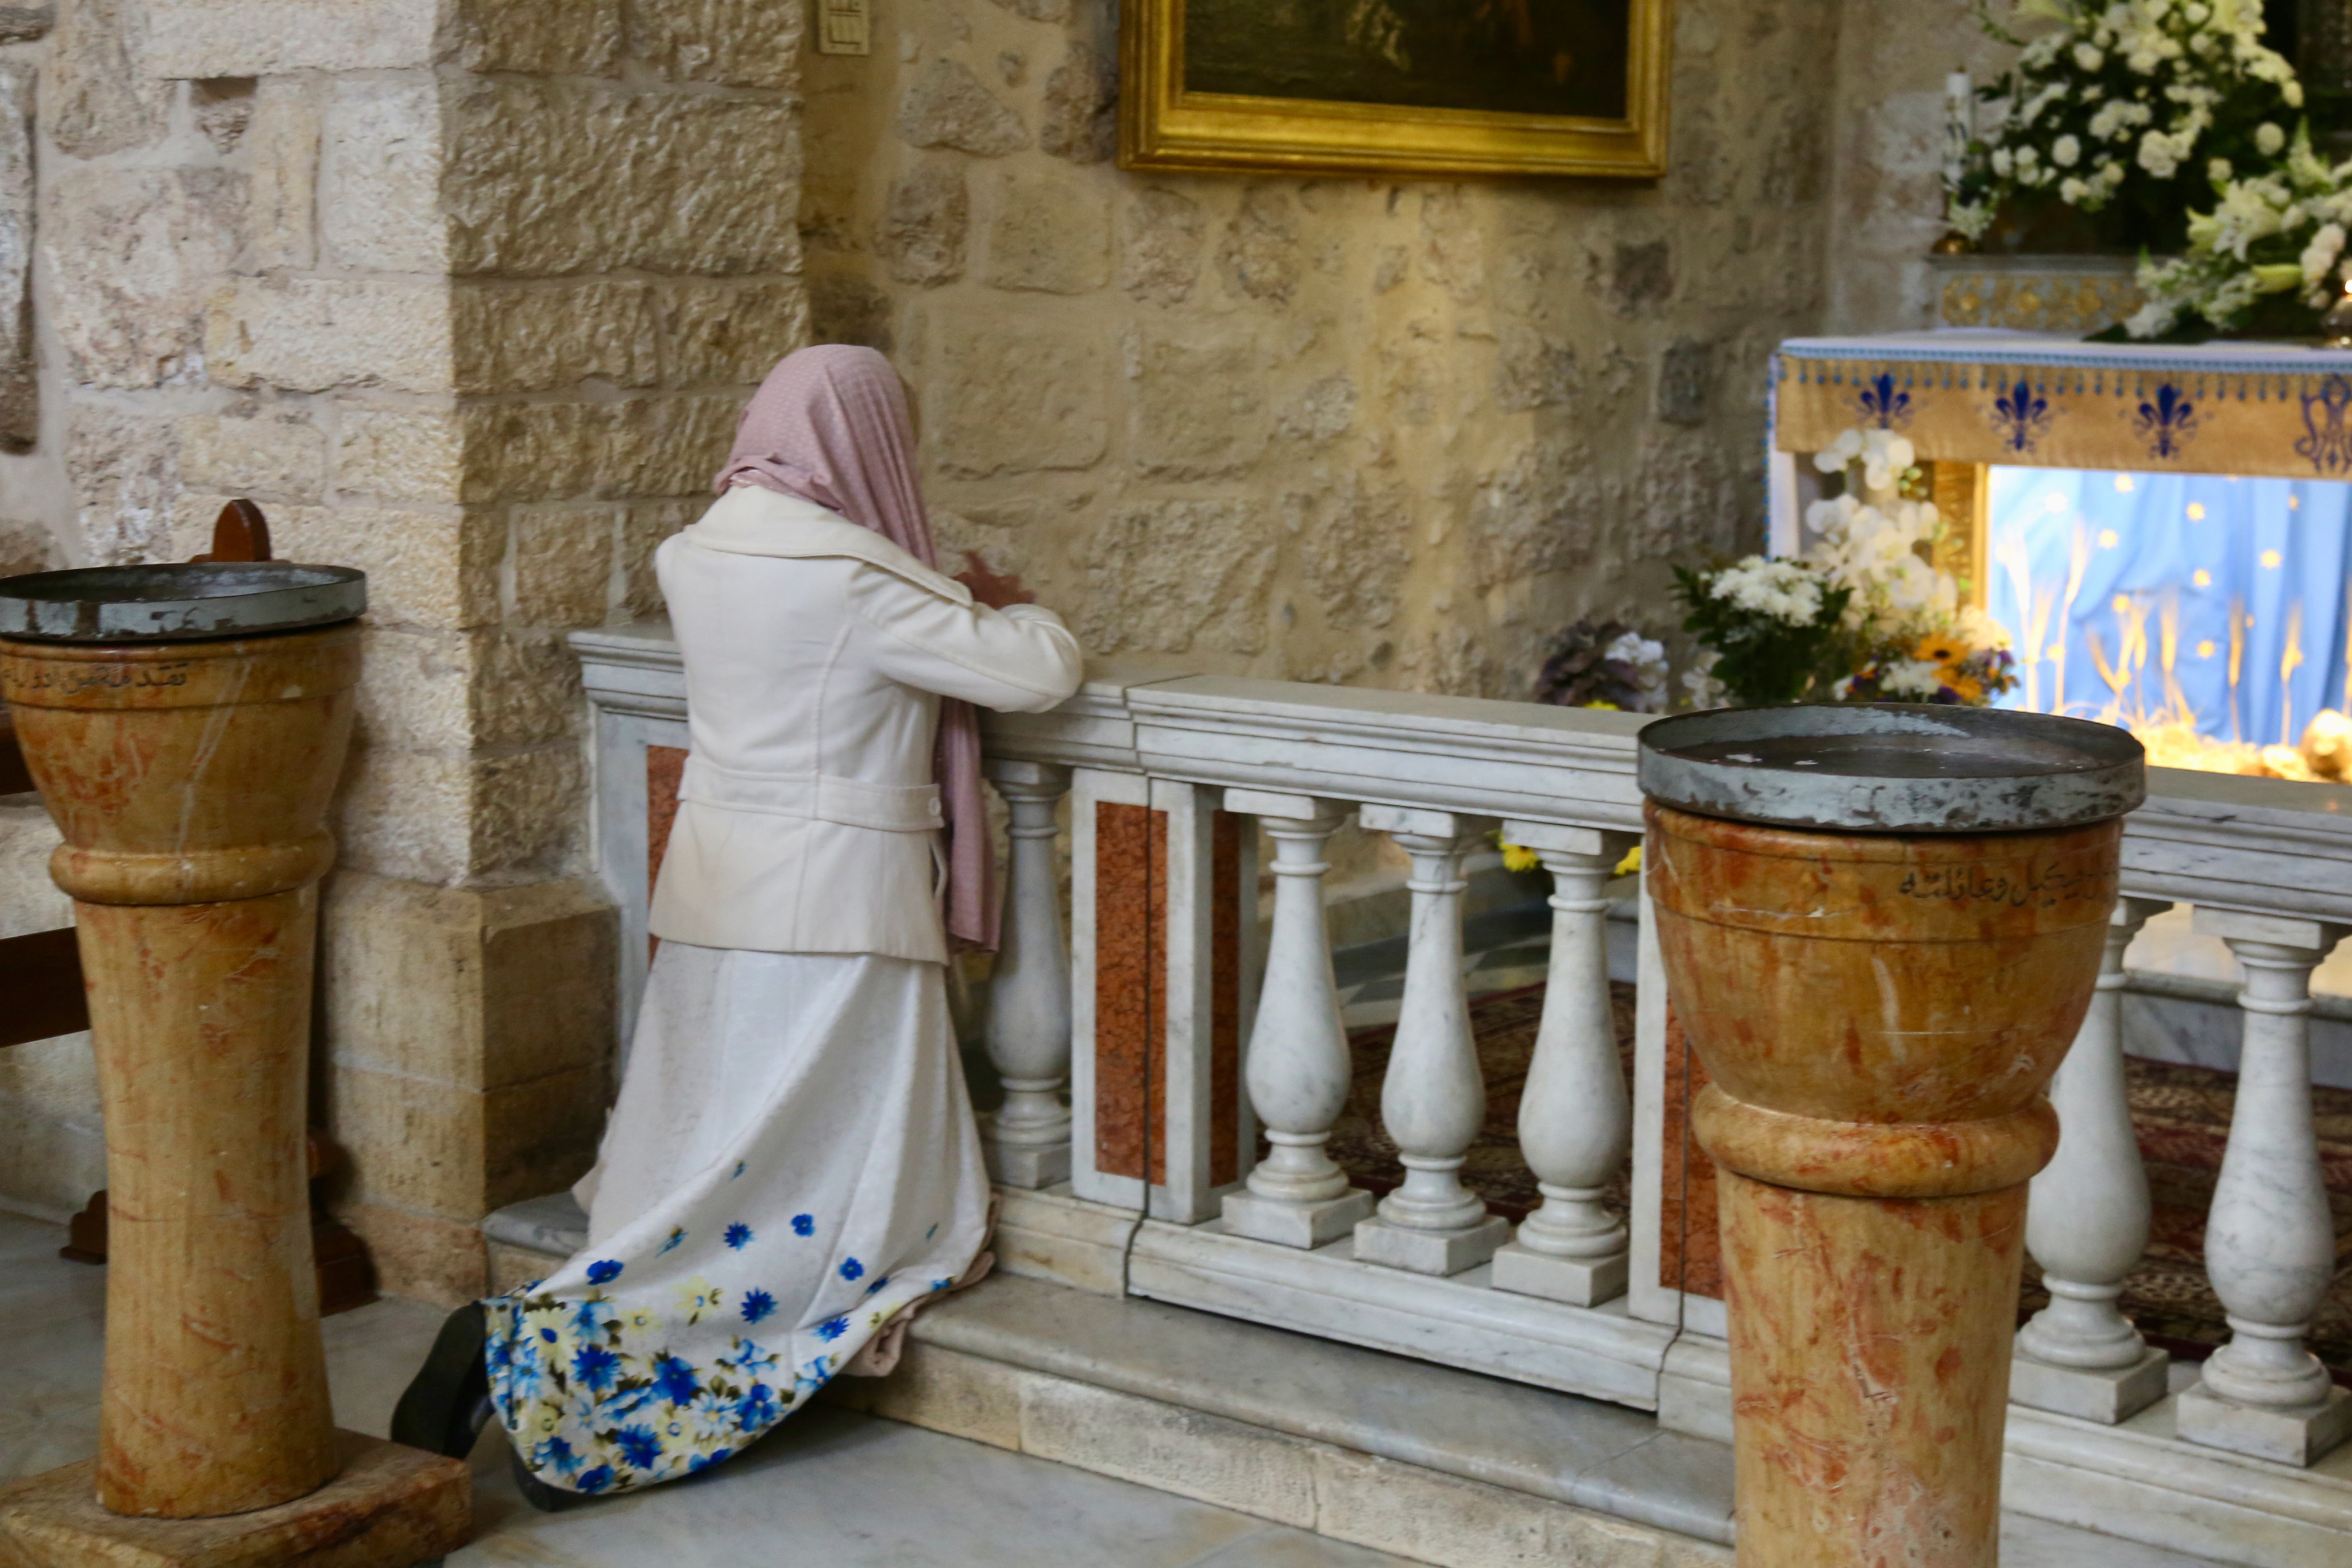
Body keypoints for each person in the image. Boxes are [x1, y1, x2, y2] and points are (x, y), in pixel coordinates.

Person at [391, 345, 1085, 1505]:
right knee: (816, 1193)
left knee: (711, 1154)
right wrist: (1005, 604)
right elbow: (1039, 673)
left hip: (718, 890)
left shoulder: (695, 552)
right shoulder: (856, 579)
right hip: (843, 899)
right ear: (862, 440)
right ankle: (549, 1347)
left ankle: (574, 1357)